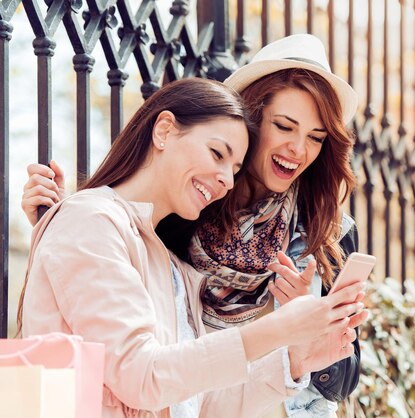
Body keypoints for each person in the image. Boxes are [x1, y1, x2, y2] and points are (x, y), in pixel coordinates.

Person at [22, 34, 365, 417]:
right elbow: (143, 375)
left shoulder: (171, 266)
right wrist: (279, 330)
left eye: (233, 167)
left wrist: (296, 360)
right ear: (164, 130)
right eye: (217, 153)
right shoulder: (99, 222)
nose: (225, 179)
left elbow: (198, 399)